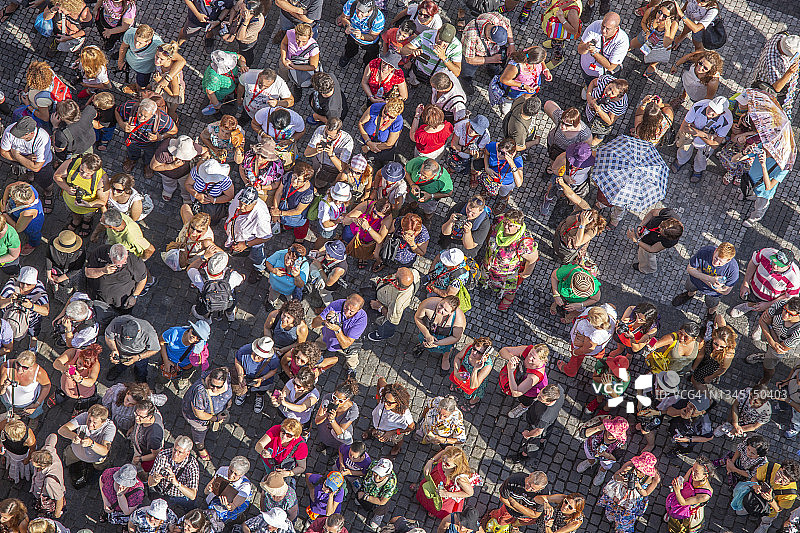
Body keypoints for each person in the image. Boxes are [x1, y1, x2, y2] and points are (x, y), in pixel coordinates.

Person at [482, 209, 538, 310]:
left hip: (506, 274)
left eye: (510, 225)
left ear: (518, 227)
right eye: (505, 223)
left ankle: (509, 297)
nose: (505, 226)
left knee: (509, 289)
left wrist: (526, 273)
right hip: (489, 265)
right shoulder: (498, 222)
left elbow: (533, 259)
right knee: (485, 277)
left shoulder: (524, 243)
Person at [0, 117, 56, 214]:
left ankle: (48, 193)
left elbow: (36, 167)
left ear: (30, 133)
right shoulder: (10, 130)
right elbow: (3, 152)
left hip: (43, 165)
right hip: (20, 162)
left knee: (46, 182)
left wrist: (17, 155)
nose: (15, 136)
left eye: (20, 135)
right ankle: (30, 178)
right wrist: (24, 158)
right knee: (26, 174)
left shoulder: (42, 138)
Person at [673, 96, 732, 183]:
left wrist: (696, 131)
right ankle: (681, 160)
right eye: (710, 107)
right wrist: (705, 135)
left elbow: (715, 145)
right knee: (684, 148)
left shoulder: (727, 121)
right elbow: (684, 128)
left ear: (721, 113)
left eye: (714, 111)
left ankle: (698, 169)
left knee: (703, 156)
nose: (710, 112)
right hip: (701, 136)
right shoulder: (698, 106)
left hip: (698, 136)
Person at [597, 452, 661, 533]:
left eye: (641, 470)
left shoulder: (654, 478)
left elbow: (646, 493)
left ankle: (622, 527)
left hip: (632, 500)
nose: (638, 471)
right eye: (638, 468)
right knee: (614, 506)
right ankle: (612, 516)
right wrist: (621, 478)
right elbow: (615, 476)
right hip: (620, 494)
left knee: (626, 516)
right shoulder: (629, 465)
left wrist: (638, 486)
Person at [672, 242, 739, 317]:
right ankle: (689, 295)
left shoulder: (733, 270)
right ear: (715, 250)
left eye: (721, 261)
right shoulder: (705, 252)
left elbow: (726, 291)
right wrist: (710, 279)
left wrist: (700, 274)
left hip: (712, 293)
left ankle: (711, 314)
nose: (716, 262)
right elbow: (690, 269)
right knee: (689, 288)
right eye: (716, 258)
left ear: (728, 260)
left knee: (712, 304)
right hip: (695, 281)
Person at [57, 403, 115, 488]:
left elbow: (105, 451)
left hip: (96, 458)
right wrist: (73, 436)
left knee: (100, 467)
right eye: (89, 420)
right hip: (76, 452)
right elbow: (62, 430)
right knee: (68, 461)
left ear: (103, 422)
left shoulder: (110, 428)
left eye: (95, 423)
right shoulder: (84, 416)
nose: (90, 425)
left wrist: (92, 444)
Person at [732, 247, 800, 319]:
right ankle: (749, 305)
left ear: (788, 266)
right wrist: (745, 283)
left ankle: (763, 319)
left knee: (767, 315)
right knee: (751, 298)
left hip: (771, 300)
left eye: (779, 265)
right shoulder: (766, 253)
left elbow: (789, 297)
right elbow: (753, 262)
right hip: (753, 288)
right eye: (774, 261)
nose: (774, 266)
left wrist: (768, 305)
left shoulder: (794, 278)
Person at [413, 446, 480, 518]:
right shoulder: (449, 451)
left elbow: (470, 493)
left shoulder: (460, 478)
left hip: (445, 492)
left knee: (437, 504)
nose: (443, 464)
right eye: (443, 459)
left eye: (447, 464)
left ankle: (433, 511)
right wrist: (431, 461)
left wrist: (447, 494)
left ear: (456, 466)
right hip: (435, 479)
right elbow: (444, 451)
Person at [746, 297, 800, 386]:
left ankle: (765, 380)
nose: (785, 315)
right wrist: (773, 342)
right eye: (785, 310)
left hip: (770, 335)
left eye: (790, 314)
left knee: (768, 366)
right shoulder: (781, 304)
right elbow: (762, 320)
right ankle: (765, 355)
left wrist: (769, 326)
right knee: (769, 348)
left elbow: (779, 349)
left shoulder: (798, 332)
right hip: (769, 335)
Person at [181, 368, 233, 461]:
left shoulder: (227, 378)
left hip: (218, 411)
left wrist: (228, 402)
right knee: (199, 433)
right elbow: (199, 414)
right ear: (209, 378)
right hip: (199, 420)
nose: (215, 389)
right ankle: (200, 448)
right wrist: (215, 418)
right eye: (212, 385)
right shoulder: (200, 392)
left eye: (219, 387)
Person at [115, 97, 178, 174]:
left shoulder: (163, 119)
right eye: (140, 114)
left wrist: (160, 137)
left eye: (145, 117)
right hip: (131, 140)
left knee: (150, 154)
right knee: (131, 151)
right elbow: (116, 111)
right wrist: (121, 124)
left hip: (150, 144)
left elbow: (174, 130)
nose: (141, 118)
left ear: (153, 114)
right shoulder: (129, 107)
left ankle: (147, 164)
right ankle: (132, 159)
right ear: (139, 107)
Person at [53, 154, 109, 239]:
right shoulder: (71, 164)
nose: (84, 175)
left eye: (88, 174)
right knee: (74, 213)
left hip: (88, 208)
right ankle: (76, 221)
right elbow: (57, 176)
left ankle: (87, 222)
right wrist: (67, 188)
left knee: (88, 216)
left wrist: (89, 205)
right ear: (81, 163)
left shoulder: (102, 179)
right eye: (81, 170)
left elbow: (102, 201)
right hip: (70, 202)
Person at [225, 187, 273, 280]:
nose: (241, 207)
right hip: (235, 233)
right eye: (241, 203)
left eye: (246, 205)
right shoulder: (241, 195)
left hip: (251, 242)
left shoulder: (261, 217)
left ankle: (259, 269)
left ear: (254, 203)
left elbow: (266, 237)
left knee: (256, 256)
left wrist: (246, 244)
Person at [460, 12, 515, 94]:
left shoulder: (496, 19)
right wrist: (492, 59)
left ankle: (492, 73)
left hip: (493, 53)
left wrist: (511, 44)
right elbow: (469, 59)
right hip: (476, 55)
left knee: (494, 67)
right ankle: (465, 81)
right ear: (489, 39)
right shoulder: (471, 35)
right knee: (468, 71)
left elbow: (507, 25)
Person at [559, 304, 617, 377]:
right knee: (599, 352)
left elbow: (588, 348)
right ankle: (599, 356)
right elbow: (611, 306)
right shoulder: (610, 313)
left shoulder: (595, 335)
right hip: (599, 347)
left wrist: (575, 352)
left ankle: (570, 371)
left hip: (580, 346)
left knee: (576, 360)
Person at [312, 294, 368, 371]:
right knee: (320, 343)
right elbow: (314, 324)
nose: (347, 312)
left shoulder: (361, 320)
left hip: (344, 344)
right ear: (346, 300)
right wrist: (325, 322)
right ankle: (319, 348)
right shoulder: (337, 304)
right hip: (327, 336)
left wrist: (337, 330)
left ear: (359, 310)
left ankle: (351, 368)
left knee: (352, 359)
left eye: (351, 311)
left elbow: (346, 344)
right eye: (346, 307)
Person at [577, 13, 628, 95]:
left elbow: (611, 67)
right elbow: (580, 50)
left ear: (616, 28)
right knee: (587, 80)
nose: (603, 31)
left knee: (604, 89)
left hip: (602, 75)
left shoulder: (622, 41)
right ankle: (588, 87)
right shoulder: (595, 26)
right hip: (586, 68)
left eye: (608, 29)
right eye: (603, 26)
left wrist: (594, 52)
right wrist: (586, 47)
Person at [0, 265, 51, 347]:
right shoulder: (11, 285)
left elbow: (46, 311)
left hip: (31, 320)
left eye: (29, 284)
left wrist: (31, 306)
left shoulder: (39, 290)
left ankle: (33, 340)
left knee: (34, 331)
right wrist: (10, 300)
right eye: (22, 283)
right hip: (9, 316)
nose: (24, 287)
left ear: (35, 283)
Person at [413, 295, 466, 371]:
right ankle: (422, 345)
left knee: (447, 349)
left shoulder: (458, 320)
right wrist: (427, 335)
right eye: (441, 305)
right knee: (423, 340)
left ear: (451, 312)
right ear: (441, 300)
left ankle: (445, 357)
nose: (440, 310)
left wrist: (437, 343)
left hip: (445, 338)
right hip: (428, 331)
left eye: (445, 310)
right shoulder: (428, 304)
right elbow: (418, 317)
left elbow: (456, 337)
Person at [363, 378, 414, 456]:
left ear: (398, 403)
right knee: (376, 429)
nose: (385, 404)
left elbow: (411, 427)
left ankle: (396, 448)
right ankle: (373, 431)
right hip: (378, 422)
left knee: (397, 440)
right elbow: (380, 380)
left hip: (393, 430)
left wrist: (393, 432)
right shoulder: (385, 395)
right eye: (385, 399)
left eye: (389, 403)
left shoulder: (404, 413)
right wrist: (378, 399)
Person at [741, 149, 792, 227]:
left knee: (760, 207)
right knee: (748, 191)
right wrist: (744, 152)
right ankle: (749, 196)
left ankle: (754, 218)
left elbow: (768, 187)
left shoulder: (784, 167)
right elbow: (738, 158)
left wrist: (763, 165)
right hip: (751, 182)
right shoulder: (763, 148)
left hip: (764, 193)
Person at [147, 436, 200, 511]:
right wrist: (155, 480)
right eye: (174, 450)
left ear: (187, 453)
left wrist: (177, 483)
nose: (175, 454)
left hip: (180, 496)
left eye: (180, 452)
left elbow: (192, 495)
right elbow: (150, 483)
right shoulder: (163, 455)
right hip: (162, 491)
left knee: (190, 507)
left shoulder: (192, 466)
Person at [367, 267, 420, 341]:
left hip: (390, 311)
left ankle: (383, 335)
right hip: (385, 291)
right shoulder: (413, 272)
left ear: (397, 283)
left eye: (397, 273)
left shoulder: (397, 303)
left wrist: (379, 307)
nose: (398, 268)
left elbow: (392, 319)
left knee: (387, 326)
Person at [187, 251, 243, 322]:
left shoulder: (198, 276)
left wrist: (203, 257)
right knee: (231, 305)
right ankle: (230, 315)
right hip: (227, 298)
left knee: (204, 308)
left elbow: (190, 269)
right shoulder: (233, 276)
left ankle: (207, 319)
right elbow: (241, 279)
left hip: (207, 300)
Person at [515, 384, 564, 463]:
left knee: (531, 444)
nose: (538, 397)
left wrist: (528, 434)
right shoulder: (559, 390)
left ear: (550, 401)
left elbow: (538, 431)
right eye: (540, 393)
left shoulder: (544, 416)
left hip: (536, 425)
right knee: (546, 434)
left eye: (541, 398)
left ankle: (525, 455)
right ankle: (542, 443)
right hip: (549, 423)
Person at [628, 2, 679, 77]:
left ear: (670, 17)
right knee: (631, 44)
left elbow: (666, 44)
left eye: (665, 16)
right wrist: (647, 32)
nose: (660, 17)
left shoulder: (673, 24)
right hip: (646, 36)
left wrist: (667, 28)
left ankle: (652, 65)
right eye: (660, 12)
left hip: (659, 45)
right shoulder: (651, 11)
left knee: (654, 58)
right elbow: (643, 22)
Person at [499, 343, 550, 419]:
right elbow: (502, 351)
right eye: (530, 354)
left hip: (529, 392)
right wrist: (511, 357)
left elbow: (516, 393)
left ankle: (523, 407)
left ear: (542, 360)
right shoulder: (527, 349)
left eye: (534, 358)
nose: (529, 358)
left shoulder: (535, 376)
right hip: (518, 378)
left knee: (525, 400)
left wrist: (510, 371)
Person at [483, 473, 549, 530]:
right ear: (530, 475)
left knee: (518, 523)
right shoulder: (513, 480)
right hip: (509, 510)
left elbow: (535, 515)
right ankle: (491, 514)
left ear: (541, 488)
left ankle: (513, 526)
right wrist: (522, 510)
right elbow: (503, 498)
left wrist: (515, 504)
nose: (528, 489)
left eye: (533, 489)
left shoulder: (543, 495)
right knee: (501, 520)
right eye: (528, 484)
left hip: (525, 516)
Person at [150, 136, 206, 203]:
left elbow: (206, 152)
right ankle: (168, 190)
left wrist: (200, 163)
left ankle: (186, 196)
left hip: (185, 173)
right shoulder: (163, 151)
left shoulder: (192, 147)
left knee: (185, 185)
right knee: (168, 182)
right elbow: (153, 166)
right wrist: (171, 166)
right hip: (167, 174)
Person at [749, 33, 800, 107]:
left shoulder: (780, 37)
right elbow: (776, 88)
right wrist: (789, 72)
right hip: (766, 85)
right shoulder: (772, 62)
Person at [104, 315, 160, 382]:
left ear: (138, 331)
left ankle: (140, 377)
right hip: (120, 352)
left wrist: (138, 357)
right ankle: (118, 369)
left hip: (139, 354)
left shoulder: (149, 333)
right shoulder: (116, 323)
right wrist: (114, 349)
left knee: (141, 368)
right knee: (120, 364)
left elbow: (155, 349)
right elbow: (108, 337)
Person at [628, 207, 683, 275]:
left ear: (666, 236)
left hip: (649, 244)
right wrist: (641, 225)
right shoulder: (668, 214)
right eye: (661, 224)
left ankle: (647, 268)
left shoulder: (669, 242)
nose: (659, 226)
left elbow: (652, 249)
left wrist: (636, 240)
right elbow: (652, 212)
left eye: (661, 231)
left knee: (646, 256)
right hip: (646, 236)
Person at [232, 336, 280, 412]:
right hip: (245, 376)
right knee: (243, 386)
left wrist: (262, 379)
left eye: (261, 356)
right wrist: (240, 375)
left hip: (263, 381)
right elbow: (237, 361)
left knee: (261, 390)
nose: (256, 357)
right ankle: (243, 392)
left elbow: (273, 371)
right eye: (256, 353)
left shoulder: (273, 360)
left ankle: (259, 396)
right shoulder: (244, 350)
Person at [181, 159, 236, 226]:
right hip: (196, 201)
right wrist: (196, 195)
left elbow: (229, 196)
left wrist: (214, 200)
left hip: (214, 208)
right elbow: (187, 184)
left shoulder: (224, 180)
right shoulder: (196, 171)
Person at [665, 457, 714, 533]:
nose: (692, 473)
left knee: (681, 526)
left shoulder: (705, 495)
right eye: (693, 468)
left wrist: (677, 491)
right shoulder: (692, 471)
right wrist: (678, 483)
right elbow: (685, 480)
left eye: (696, 472)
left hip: (688, 509)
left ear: (705, 476)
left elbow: (683, 502)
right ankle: (670, 514)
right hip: (680, 497)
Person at [203, 456, 252, 531]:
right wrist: (209, 489)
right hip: (218, 497)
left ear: (242, 475)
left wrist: (226, 505)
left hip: (236, 503)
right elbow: (205, 491)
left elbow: (232, 507)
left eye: (236, 474)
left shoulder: (245, 487)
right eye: (230, 471)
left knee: (218, 518)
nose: (231, 475)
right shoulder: (222, 470)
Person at [342, 199, 393, 268]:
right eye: (374, 212)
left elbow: (380, 239)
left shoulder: (388, 218)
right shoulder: (366, 205)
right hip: (353, 232)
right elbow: (345, 221)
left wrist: (368, 228)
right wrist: (353, 219)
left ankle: (361, 255)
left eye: (379, 217)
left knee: (362, 250)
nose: (375, 216)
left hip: (369, 239)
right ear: (374, 206)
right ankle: (355, 251)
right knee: (347, 240)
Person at [254, 418, 309, 484]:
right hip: (269, 462)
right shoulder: (276, 429)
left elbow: (302, 467)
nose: (284, 437)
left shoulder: (301, 446)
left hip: (284, 469)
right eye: (283, 431)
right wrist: (262, 451)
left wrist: (288, 473)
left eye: (289, 435)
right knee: (270, 473)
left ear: (295, 436)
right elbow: (258, 445)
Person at [496, 48, 549, 114]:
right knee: (511, 97)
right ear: (535, 61)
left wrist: (545, 69)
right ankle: (508, 102)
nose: (543, 62)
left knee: (527, 96)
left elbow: (541, 57)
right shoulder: (516, 67)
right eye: (542, 61)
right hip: (516, 89)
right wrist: (523, 86)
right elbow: (504, 80)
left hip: (532, 85)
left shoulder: (533, 53)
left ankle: (523, 102)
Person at [271, 163, 315, 241]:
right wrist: (276, 210)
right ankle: (286, 226)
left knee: (300, 229)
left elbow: (298, 211)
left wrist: (279, 213)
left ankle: (299, 239)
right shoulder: (288, 176)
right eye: (294, 176)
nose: (294, 181)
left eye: (299, 180)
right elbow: (279, 193)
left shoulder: (308, 194)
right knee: (286, 223)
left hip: (297, 217)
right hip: (285, 209)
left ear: (305, 181)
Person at [313, 377, 360, 449]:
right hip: (325, 429)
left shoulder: (352, 411)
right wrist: (325, 415)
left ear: (347, 400)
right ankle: (325, 444)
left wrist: (332, 420)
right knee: (325, 439)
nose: (336, 402)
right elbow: (317, 421)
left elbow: (340, 432)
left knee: (339, 445)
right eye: (334, 397)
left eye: (340, 401)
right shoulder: (328, 398)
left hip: (337, 434)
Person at [305, 121, 353, 190]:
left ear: (338, 133)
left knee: (320, 183)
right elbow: (306, 153)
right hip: (318, 161)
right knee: (313, 173)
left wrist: (332, 155)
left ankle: (319, 187)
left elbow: (342, 168)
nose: (327, 138)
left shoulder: (347, 141)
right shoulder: (321, 129)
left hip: (330, 168)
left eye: (331, 137)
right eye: (326, 134)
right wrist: (316, 150)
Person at [52, 343, 101, 412]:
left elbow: (91, 381)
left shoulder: (95, 364)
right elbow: (56, 363)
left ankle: (79, 410)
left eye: (85, 367)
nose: (81, 367)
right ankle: (57, 398)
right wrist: (64, 368)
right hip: (66, 386)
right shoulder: (73, 353)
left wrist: (80, 379)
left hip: (83, 393)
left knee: (82, 405)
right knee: (61, 393)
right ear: (80, 356)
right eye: (80, 363)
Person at [357, 98, 404, 166]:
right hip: (367, 141)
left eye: (391, 117)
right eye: (386, 113)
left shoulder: (398, 121)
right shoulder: (375, 108)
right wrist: (368, 142)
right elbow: (361, 123)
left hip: (381, 148)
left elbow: (389, 144)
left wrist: (369, 147)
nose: (386, 118)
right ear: (385, 106)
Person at [338, 0, 385, 68]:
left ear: (370, 10)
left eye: (362, 12)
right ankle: (348, 55)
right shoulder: (351, 4)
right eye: (357, 10)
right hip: (352, 36)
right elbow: (343, 17)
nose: (358, 15)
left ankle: (367, 65)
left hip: (369, 43)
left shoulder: (378, 19)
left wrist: (361, 36)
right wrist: (347, 26)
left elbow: (373, 36)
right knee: (350, 48)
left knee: (371, 56)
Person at [404, 156, 453, 222]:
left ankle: (427, 218)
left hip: (429, 201)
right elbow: (405, 170)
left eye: (425, 177)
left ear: (435, 175)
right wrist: (412, 184)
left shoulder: (444, 180)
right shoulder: (417, 162)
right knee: (412, 202)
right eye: (420, 173)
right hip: (412, 193)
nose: (421, 177)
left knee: (428, 211)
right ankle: (412, 206)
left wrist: (431, 196)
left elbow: (448, 193)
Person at [584, 75, 629, 146]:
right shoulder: (606, 79)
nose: (608, 92)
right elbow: (593, 82)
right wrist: (588, 96)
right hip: (589, 113)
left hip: (601, 122)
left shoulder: (620, 104)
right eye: (609, 88)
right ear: (609, 83)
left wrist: (598, 110)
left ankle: (592, 144)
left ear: (618, 96)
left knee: (600, 135)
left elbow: (610, 121)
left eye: (612, 93)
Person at [690, 324, 737, 392]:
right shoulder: (715, 336)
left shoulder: (727, 355)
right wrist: (693, 368)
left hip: (710, 368)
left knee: (695, 380)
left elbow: (722, 369)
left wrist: (710, 377)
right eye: (716, 344)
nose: (717, 348)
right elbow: (701, 354)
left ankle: (706, 397)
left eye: (722, 347)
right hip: (706, 359)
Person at [29, 435, 66, 519]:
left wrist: (57, 513)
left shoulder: (50, 481)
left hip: (46, 494)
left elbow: (59, 497)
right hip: (42, 489)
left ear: (42, 466)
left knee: (45, 508)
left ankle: (44, 513)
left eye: (33, 461)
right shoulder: (47, 452)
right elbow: (53, 436)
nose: (31, 460)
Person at [1, 182, 42, 257]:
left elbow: (18, 228)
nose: (10, 196)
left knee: (34, 234)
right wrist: (4, 202)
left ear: (20, 202)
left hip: (31, 225)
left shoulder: (28, 212)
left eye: (13, 198)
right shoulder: (25, 187)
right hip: (18, 214)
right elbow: (8, 188)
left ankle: (33, 244)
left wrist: (4, 212)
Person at [355, 458, 398, 530]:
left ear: (387, 475)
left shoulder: (391, 484)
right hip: (368, 488)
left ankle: (379, 515)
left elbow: (382, 501)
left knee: (382, 507)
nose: (377, 477)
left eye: (380, 475)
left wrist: (365, 497)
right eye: (376, 473)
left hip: (379, 497)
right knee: (359, 498)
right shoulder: (373, 464)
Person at [201, 50, 248, 116]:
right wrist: (216, 104)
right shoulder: (214, 78)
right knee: (216, 105)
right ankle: (216, 111)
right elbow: (210, 91)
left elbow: (240, 57)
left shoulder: (225, 56)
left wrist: (243, 65)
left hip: (234, 84)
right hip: (220, 95)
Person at [221, 0, 266, 66]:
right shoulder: (242, 3)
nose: (240, 11)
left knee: (246, 53)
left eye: (243, 11)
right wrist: (230, 21)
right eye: (241, 8)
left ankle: (247, 64)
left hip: (247, 42)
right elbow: (234, 9)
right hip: (238, 31)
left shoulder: (258, 22)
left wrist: (246, 22)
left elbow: (240, 37)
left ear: (251, 14)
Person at [278, 23, 320, 92]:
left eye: (304, 41)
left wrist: (294, 66)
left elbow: (313, 67)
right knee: (283, 77)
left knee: (297, 81)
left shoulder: (314, 48)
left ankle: (296, 87)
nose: (300, 44)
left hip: (300, 69)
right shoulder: (290, 33)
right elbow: (284, 44)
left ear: (310, 37)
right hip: (286, 62)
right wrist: (283, 59)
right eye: (297, 39)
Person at [307, 240, 349, 307]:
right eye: (327, 251)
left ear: (336, 257)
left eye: (330, 255)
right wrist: (319, 253)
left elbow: (328, 283)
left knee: (324, 295)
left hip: (330, 284)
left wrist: (319, 267)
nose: (327, 255)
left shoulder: (339, 269)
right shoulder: (335, 254)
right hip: (326, 270)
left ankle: (329, 307)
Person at [448, 115, 490, 182]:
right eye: (472, 127)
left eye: (477, 132)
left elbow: (480, 154)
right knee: (454, 164)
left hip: (469, 155)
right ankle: (452, 169)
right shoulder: (461, 125)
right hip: (459, 152)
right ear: (470, 123)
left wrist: (475, 155)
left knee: (474, 167)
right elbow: (454, 145)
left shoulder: (485, 136)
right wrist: (468, 151)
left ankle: (474, 173)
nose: (472, 132)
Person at [130, 400, 164, 473]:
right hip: (139, 443)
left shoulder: (153, 436)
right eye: (136, 414)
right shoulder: (144, 418)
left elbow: (155, 454)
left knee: (136, 469)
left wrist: (140, 459)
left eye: (140, 417)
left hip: (142, 453)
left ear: (150, 417)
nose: (136, 418)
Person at [0, 419, 35, 483]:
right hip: (8, 449)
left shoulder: (29, 439)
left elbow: (32, 449)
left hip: (19, 454)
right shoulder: (6, 423)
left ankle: (16, 474)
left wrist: (27, 459)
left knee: (17, 464)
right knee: (9, 456)